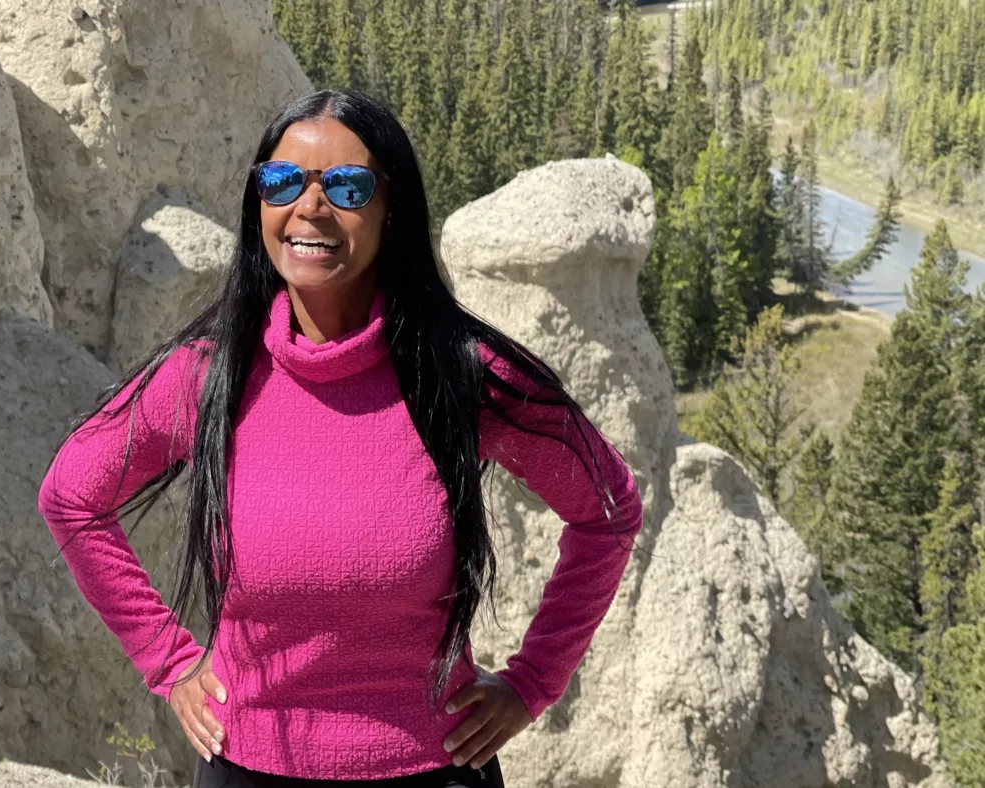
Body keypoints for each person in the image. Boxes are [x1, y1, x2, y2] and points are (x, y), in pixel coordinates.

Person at [38, 88, 644, 788]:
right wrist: (169, 662)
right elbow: (71, 497)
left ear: (394, 211)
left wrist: (533, 680)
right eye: (283, 181)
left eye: (349, 187)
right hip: (250, 767)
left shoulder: (460, 372)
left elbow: (608, 510)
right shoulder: (210, 376)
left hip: (432, 768)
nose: (310, 208)